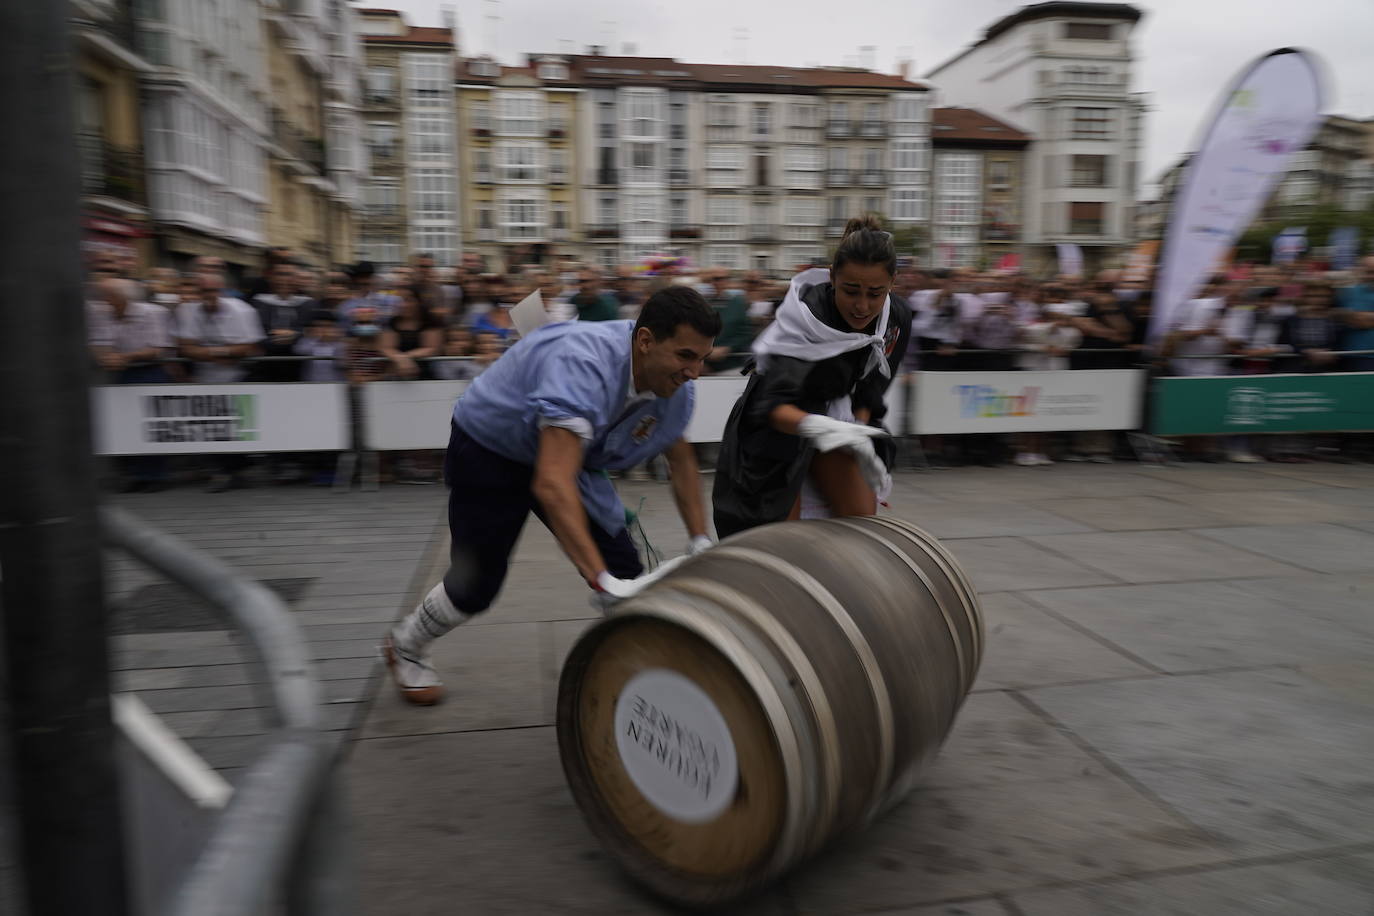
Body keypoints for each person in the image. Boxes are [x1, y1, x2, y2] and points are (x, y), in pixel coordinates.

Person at [381, 286, 722, 705]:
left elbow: (681, 459)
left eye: (703, 358)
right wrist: (599, 581)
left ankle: (646, 679)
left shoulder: (676, 386)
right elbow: (550, 483)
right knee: (476, 585)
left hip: (566, 453)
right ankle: (406, 644)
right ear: (646, 341)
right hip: (492, 447)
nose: (695, 373)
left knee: (627, 573)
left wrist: (699, 539)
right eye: (686, 356)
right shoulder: (584, 361)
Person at [712, 216, 912, 538]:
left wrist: (858, 433)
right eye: (851, 291)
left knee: (862, 530)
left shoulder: (897, 317)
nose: (862, 306)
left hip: (839, 415)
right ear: (832, 276)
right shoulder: (807, 315)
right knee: (783, 541)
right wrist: (822, 428)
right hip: (779, 422)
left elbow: (872, 387)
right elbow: (772, 405)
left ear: (892, 282)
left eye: (875, 293)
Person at [175, 257, 265, 491]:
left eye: (212, 291)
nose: (208, 296)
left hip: (238, 377)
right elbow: (186, 348)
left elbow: (250, 348)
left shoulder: (242, 310)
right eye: (202, 291)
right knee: (212, 428)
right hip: (205, 378)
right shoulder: (187, 310)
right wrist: (223, 353)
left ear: (221, 290)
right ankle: (223, 473)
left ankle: (238, 470)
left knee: (238, 428)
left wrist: (208, 352)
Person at [88, 277, 176, 491]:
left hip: (150, 371)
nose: (103, 300)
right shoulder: (104, 313)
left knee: (152, 425)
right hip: (123, 372)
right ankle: (137, 475)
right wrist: (107, 357)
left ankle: (155, 476)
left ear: (120, 298)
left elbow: (158, 348)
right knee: (128, 424)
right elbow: (99, 342)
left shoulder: (152, 313)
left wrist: (125, 357)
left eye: (106, 296)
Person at [1337, 255, 1374, 371]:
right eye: (1369, 272)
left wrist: (1363, 317)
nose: (1372, 276)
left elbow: (1359, 319)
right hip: (1355, 356)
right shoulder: (1349, 293)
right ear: (1360, 271)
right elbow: (1356, 320)